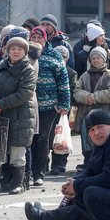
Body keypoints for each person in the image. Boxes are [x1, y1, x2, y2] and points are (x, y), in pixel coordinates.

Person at [0, 36, 36, 195]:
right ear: (7, 50)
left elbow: (24, 93)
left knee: (17, 151)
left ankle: (17, 183)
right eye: (12, 49)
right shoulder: (1, 65)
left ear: (24, 52)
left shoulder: (27, 69)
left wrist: (1, 104)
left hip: (20, 116)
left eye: (19, 49)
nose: (16, 51)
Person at [29, 26, 70, 186]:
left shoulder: (54, 55)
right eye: (34, 37)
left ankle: (39, 172)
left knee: (42, 139)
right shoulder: (26, 54)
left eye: (39, 38)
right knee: (29, 139)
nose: (36, 40)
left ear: (45, 40)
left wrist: (64, 103)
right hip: (29, 105)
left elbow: (63, 81)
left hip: (49, 107)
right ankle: (28, 171)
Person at [73, 47, 110, 170]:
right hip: (85, 113)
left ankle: (101, 162)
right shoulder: (85, 76)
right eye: (93, 58)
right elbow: (77, 92)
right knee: (86, 138)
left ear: (104, 59)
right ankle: (88, 162)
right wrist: (86, 97)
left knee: (102, 137)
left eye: (98, 58)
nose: (96, 60)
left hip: (103, 113)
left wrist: (95, 97)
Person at [51, 45, 78, 175]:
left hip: (64, 109)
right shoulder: (49, 69)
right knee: (49, 137)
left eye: (64, 57)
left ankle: (60, 163)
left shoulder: (71, 73)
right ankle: (44, 163)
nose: (61, 59)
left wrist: (64, 104)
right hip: (49, 108)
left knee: (62, 136)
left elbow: (71, 90)